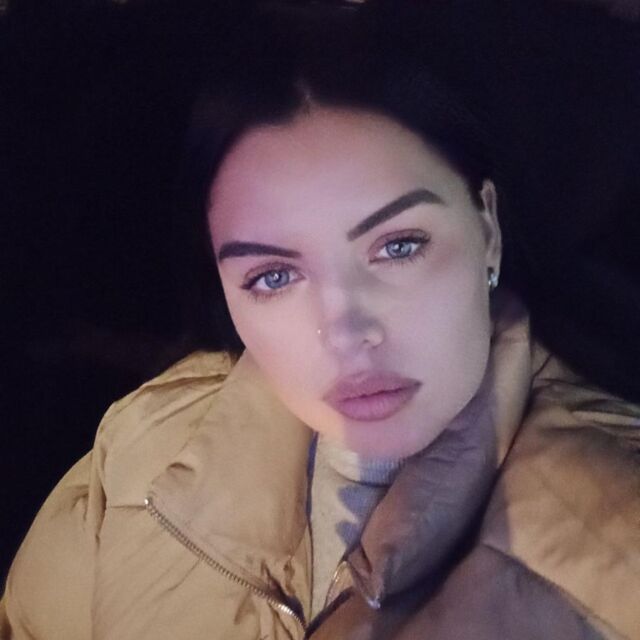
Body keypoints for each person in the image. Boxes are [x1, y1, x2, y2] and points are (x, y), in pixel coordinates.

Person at [2, 2, 639, 638]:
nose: (345, 335)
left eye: (398, 246)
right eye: (273, 277)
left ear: (488, 231)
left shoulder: (616, 541)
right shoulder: (140, 445)